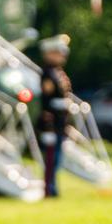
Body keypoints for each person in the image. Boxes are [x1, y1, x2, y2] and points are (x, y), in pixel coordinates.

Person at [37, 34, 73, 198]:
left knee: (57, 158)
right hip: (51, 122)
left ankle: (53, 188)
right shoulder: (47, 74)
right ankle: (49, 189)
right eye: (59, 52)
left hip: (60, 121)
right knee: (51, 159)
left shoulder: (57, 72)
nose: (63, 55)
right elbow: (46, 98)